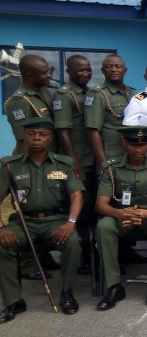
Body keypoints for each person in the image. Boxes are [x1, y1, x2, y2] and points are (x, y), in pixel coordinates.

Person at [0, 117, 84, 323]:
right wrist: (1, 228)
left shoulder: (64, 164)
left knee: (73, 242)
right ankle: (13, 301)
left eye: (42, 134)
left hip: (55, 220)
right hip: (24, 222)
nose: (37, 138)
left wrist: (70, 223)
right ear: (24, 137)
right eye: (31, 134)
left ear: (50, 138)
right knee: (2, 244)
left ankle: (67, 293)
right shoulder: (10, 166)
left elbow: (77, 196)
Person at [93, 125, 147, 310]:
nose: (138, 149)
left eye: (143, 144)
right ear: (124, 143)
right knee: (104, 227)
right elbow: (100, 205)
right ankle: (114, 286)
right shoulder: (111, 168)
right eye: (133, 144)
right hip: (122, 215)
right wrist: (120, 213)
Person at [52, 55, 96, 273]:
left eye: (88, 69)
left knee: (92, 208)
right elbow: (63, 132)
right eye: (80, 70)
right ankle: (83, 257)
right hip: (78, 162)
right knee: (81, 210)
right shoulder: (64, 95)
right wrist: (74, 165)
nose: (85, 73)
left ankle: (92, 254)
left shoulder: (90, 93)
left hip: (92, 159)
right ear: (68, 71)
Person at [85, 54, 137, 164]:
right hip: (110, 156)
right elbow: (92, 131)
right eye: (109, 66)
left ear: (125, 70)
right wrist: (104, 164)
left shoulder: (132, 93)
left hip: (132, 155)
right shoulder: (97, 94)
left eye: (118, 66)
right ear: (102, 70)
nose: (114, 69)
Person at [4, 54, 56, 154]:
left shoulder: (44, 91)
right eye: (44, 73)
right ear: (30, 76)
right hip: (34, 157)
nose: (49, 75)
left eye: (48, 71)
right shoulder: (19, 101)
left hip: (49, 154)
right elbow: (23, 140)